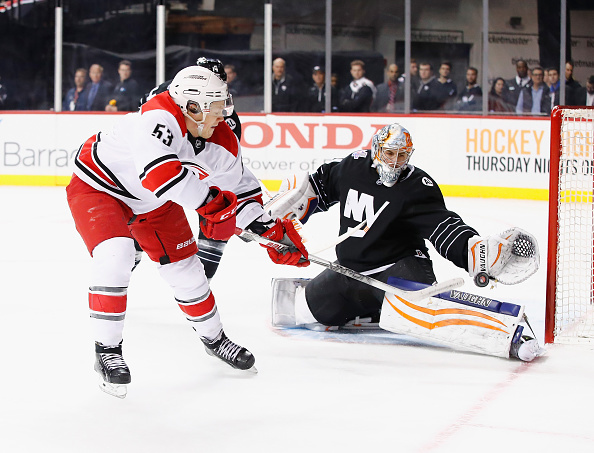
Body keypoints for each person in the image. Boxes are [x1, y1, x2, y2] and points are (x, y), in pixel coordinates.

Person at [66, 64, 308, 398]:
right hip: (99, 187)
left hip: (154, 203)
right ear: (191, 106)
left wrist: (270, 232)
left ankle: (214, 338)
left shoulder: (221, 139)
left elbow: (239, 193)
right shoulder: (157, 115)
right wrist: (212, 204)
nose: (223, 116)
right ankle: (106, 351)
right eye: (217, 108)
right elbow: (160, 176)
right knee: (116, 254)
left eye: (226, 107)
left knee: (188, 271)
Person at [265, 123, 544, 362]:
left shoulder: (417, 186)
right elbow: (321, 186)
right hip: (352, 270)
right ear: (376, 151)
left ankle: (508, 333)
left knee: (421, 314)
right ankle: (375, 308)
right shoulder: (353, 167)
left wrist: (472, 250)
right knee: (302, 310)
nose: (394, 162)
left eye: (402, 155)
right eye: (389, 153)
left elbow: (443, 227)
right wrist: (288, 208)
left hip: (400, 266)